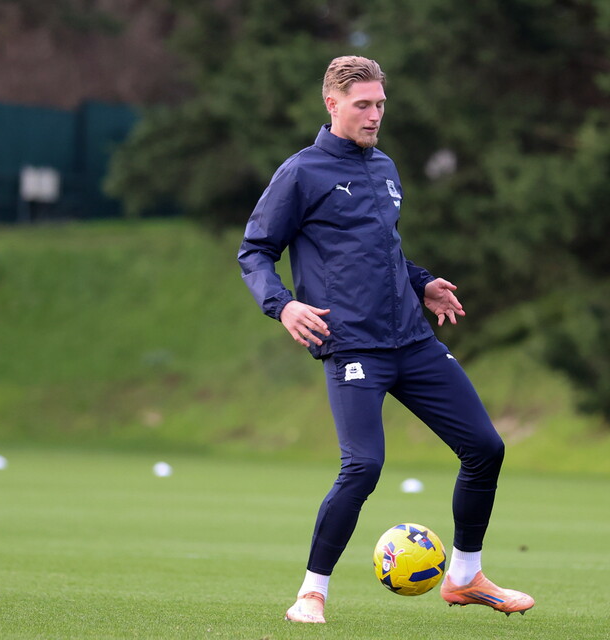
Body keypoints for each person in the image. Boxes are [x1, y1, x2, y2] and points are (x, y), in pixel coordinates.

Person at [238, 55, 534, 624]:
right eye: (362, 105)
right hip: (352, 347)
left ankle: (466, 576)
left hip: (412, 341)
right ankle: (311, 593)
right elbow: (254, 251)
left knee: (485, 449)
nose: (375, 115)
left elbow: (382, 248)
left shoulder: (385, 167)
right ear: (332, 104)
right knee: (364, 467)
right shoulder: (301, 172)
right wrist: (283, 305)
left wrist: (421, 283)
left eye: (380, 105)